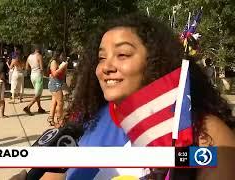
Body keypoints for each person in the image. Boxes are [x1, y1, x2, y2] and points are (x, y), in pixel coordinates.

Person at [39, 13, 235, 180]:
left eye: (123, 54)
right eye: (101, 58)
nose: (106, 67)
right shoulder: (83, 121)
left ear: (156, 62)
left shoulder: (204, 133)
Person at [47, 51, 68, 127]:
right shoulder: (54, 62)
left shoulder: (60, 62)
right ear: (58, 55)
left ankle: (51, 119)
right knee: (60, 102)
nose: (64, 57)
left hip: (58, 83)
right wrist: (61, 67)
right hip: (54, 84)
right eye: (63, 55)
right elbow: (54, 74)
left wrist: (64, 67)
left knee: (54, 102)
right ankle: (60, 121)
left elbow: (63, 75)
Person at [23, 45, 46, 116]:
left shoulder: (29, 56)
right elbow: (42, 68)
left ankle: (39, 108)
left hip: (32, 75)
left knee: (37, 92)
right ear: (39, 49)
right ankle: (28, 107)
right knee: (38, 94)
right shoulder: (39, 56)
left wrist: (33, 68)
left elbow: (27, 68)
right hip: (38, 75)